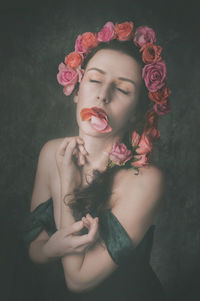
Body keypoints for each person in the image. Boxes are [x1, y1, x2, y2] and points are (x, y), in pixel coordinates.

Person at [23, 21, 171, 300]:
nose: (103, 95)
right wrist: (50, 248)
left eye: (123, 90)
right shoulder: (50, 152)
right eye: (94, 80)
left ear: (136, 114)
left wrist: (68, 181)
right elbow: (34, 244)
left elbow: (78, 280)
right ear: (77, 90)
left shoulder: (145, 179)